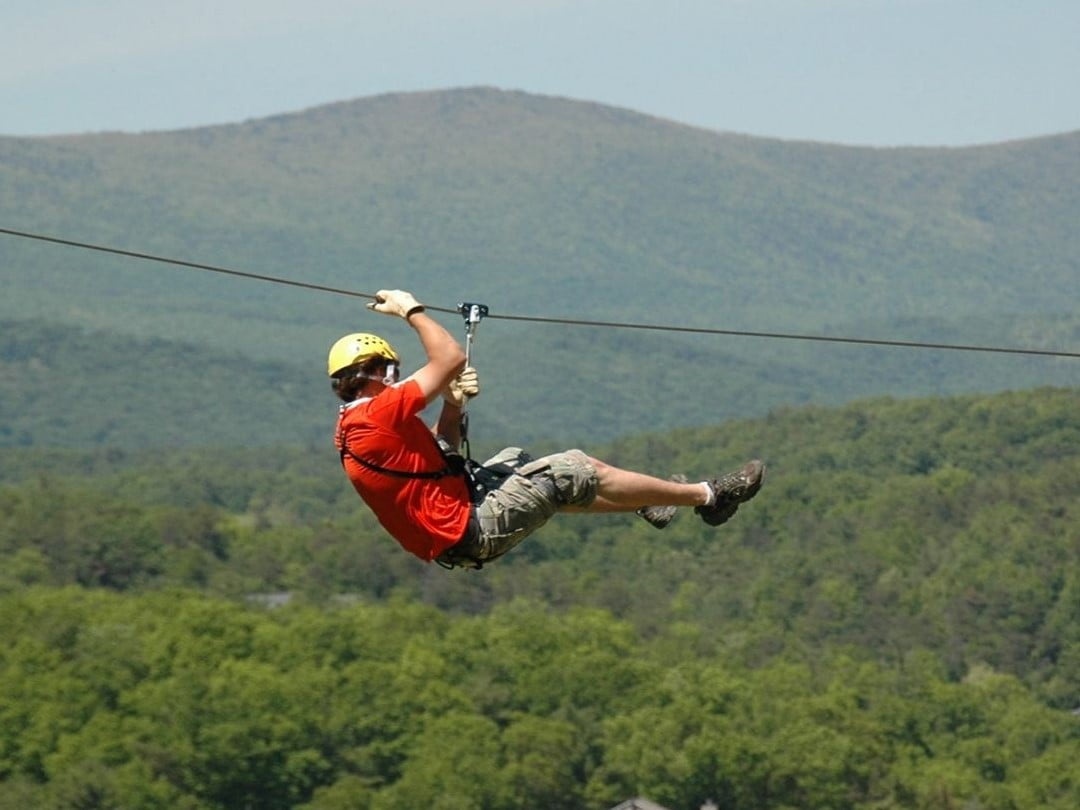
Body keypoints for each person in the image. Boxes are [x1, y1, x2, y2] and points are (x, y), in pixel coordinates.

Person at [329, 289, 765, 569]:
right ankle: (710, 496)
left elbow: (438, 457)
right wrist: (413, 311)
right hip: (468, 526)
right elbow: (449, 357)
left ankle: (647, 503)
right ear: (374, 372)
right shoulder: (377, 415)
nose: (397, 374)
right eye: (392, 369)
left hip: (453, 526)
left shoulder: (356, 426)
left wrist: (452, 404)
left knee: (518, 462)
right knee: (570, 469)